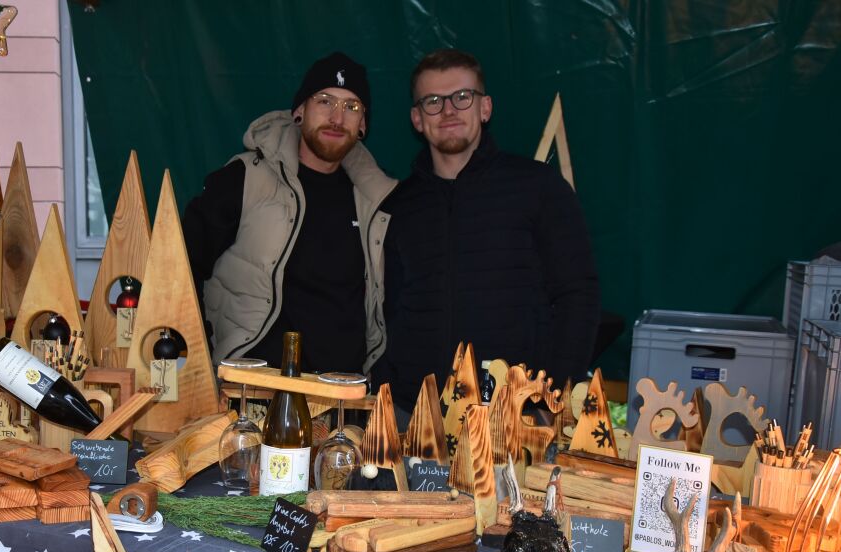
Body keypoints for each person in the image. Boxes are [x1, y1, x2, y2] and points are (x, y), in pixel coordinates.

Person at [374, 49, 600, 412]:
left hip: (513, 417)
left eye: (462, 97)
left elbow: (579, 296)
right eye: (433, 101)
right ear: (417, 119)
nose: (448, 111)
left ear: (485, 108)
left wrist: (548, 399)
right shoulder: (399, 205)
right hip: (416, 416)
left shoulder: (538, 186)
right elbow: (388, 312)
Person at [183, 52, 396, 375]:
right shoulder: (246, 178)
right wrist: (199, 358)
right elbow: (179, 265)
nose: (337, 118)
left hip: (341, 399)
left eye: (351, 107)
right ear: (299, 111)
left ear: (363, 124)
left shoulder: (377, 202)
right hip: (253, 391)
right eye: (325, 101)